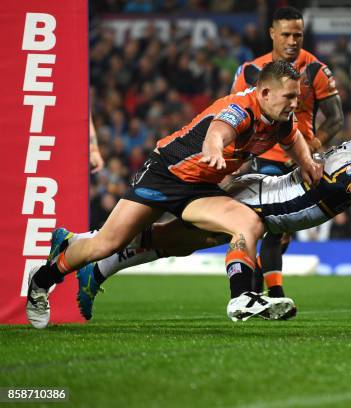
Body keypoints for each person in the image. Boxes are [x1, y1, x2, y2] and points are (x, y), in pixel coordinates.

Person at [56, 112, 351, 322]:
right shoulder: (349, 162)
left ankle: (96, 261)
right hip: (253, 202)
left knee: (172, 243)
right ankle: (85, 249)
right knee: (170, 239)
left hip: (263, 209)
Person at [26, 61, 323, 328]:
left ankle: (242, 297)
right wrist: (214, 148)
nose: (295, 103)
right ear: (265, 93)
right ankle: (41, 280)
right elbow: (218, 130)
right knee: (105, 245)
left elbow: (293, 138)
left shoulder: (282, 119)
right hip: (164, 174)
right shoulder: (241, 108)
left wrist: (307, 162)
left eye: (296, 96)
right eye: (289, 97)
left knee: (247, 223)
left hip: (199, 188)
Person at [231, 6, 343, 299]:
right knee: (270, 225)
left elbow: (336, 118)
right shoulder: (250, 71)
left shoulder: (316, 69)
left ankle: (256, 281)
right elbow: (234, 113)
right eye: (286, 35)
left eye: (298, 35)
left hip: (300, 162)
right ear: (272, 34)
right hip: (264, 158)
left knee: (281, 233)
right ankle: (275, 293)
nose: (293, 41)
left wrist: (315, 145)